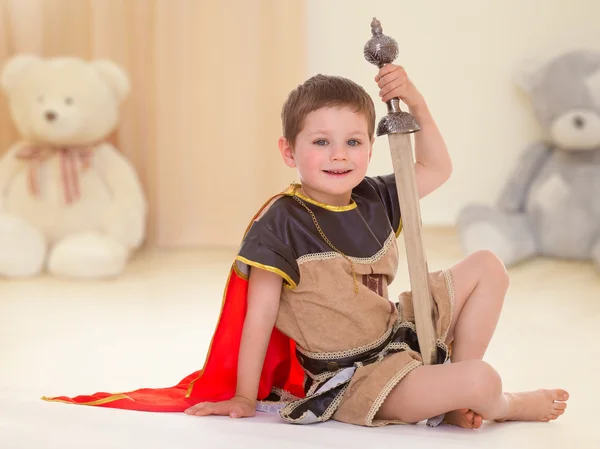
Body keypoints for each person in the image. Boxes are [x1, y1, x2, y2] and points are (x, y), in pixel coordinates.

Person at [43, 65, 568, 429]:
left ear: (369, 145)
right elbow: (258, 314)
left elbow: (435, 169)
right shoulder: (281, 223)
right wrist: (245, 395)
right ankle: (495, 401)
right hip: (354, 376)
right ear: (288, 151)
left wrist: (417, 102)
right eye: (321, 142)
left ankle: (451, 391)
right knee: (484, 379)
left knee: (487, 266)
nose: (339, 155)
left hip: (398, 333)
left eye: (354, 141)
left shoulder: (377, 196)